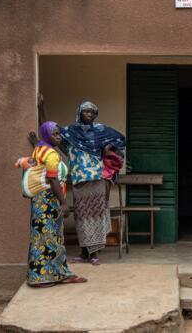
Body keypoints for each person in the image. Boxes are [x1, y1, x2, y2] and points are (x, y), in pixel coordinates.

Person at [16, 121, 86, 287]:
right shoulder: (51, 154)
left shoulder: (40, 148)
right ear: (48, 136)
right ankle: (51, 276)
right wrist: (63, 203)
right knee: (51, 237)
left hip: (39, 200)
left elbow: (39, 156)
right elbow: (53, 179)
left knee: (40, 237)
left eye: (59, 133)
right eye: (55, 134)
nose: (59, 136)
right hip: (49, 200)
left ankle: (41, 276)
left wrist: (36, 142)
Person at [61, 101, 126, 265]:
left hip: (97, 179)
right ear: (79, 113)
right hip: (79, 180)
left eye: (92, 112)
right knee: (82, 217)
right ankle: (84, 253)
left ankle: (95, 254)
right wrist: (40, 111)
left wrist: (108, 147)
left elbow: (121, 140)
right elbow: (51, 133)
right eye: (86, 111)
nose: (89, 114)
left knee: (95, 216)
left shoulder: (101, 131)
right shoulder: (71, 132)